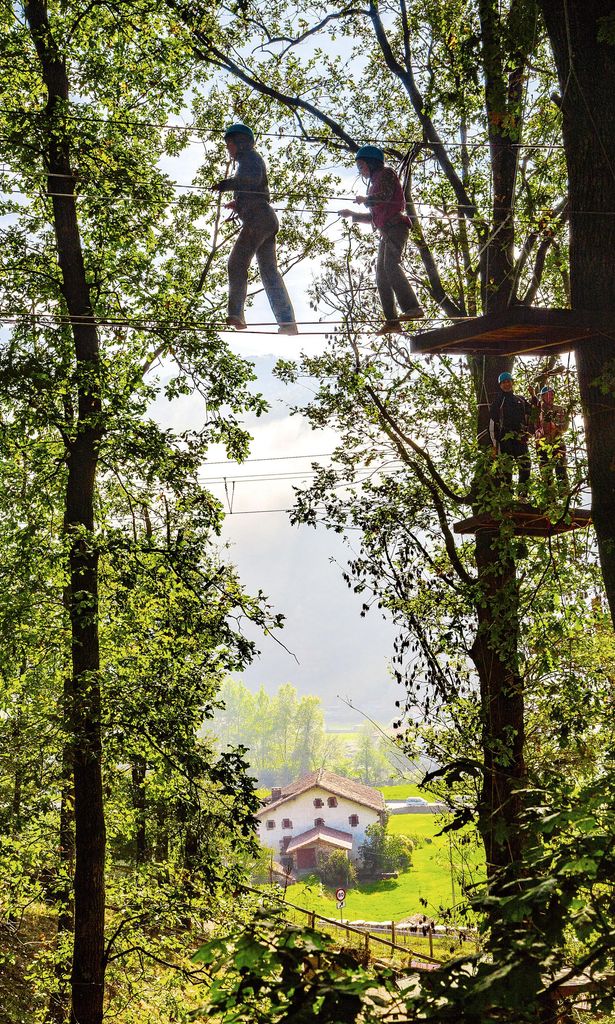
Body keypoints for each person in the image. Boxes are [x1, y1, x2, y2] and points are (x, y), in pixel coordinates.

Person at [212, 123, 298, 335]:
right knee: (269, 272)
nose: (228, 148)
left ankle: (236, 314)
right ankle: (287, 323)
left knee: (236, 263)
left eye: (229, 143)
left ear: (239, 143)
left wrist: (227, 184)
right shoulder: (248, 160)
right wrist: (237, 203)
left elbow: (251, 180)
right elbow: (255, 187)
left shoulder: (249, 158)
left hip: (259, 220)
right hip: (265, 220)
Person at [340, 145, 424, 335]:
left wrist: (366, 199)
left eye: (362, 166)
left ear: (371, 162)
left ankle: (413, 307)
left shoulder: (386, 174)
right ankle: (392, 321)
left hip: (397, 228)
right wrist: (352, 214)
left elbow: (384, 197)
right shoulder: (374, 184)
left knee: (391, 266)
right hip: (386, 232)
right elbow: (374, 217)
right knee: (381, 275)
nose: (360, 170)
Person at [489, 371, 533, 493]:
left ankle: (522, 495)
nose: (506, 384)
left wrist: (533, 396)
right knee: (507, 468)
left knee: (525, 464)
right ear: (500, 385)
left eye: (508, 381)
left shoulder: (520, 399)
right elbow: (492, 422)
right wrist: (494, 444)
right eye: (503, 382)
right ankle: (507, 495)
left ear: (512, 382)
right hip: (505, 438)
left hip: (520, 437)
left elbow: (532, 413)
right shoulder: (498, 401)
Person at [534, 384, 569, 491]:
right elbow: (532, 427)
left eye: (553, 394)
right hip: (542, 444)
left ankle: (564, 494)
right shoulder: (537, 411)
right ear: (543, 397)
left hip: (557, 442)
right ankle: (549, 498)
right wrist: (538, 433)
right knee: (546, 472)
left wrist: (556, 426)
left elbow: (565, 426)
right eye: (548, 394)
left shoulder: (559, 409)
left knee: (561, 469)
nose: (551, 397)